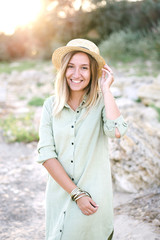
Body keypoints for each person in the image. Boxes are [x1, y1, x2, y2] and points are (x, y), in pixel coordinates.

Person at [37, 38, 128, 240]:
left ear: (93, 72)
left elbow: (117, 131)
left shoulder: (101, 103)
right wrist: (76, 194)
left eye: (84, 68)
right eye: (71, 66)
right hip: (59, 195)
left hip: (94, 201)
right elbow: (46, 154)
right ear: (63, 69)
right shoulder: (50, 106)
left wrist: (106, 89)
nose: (76, 74)